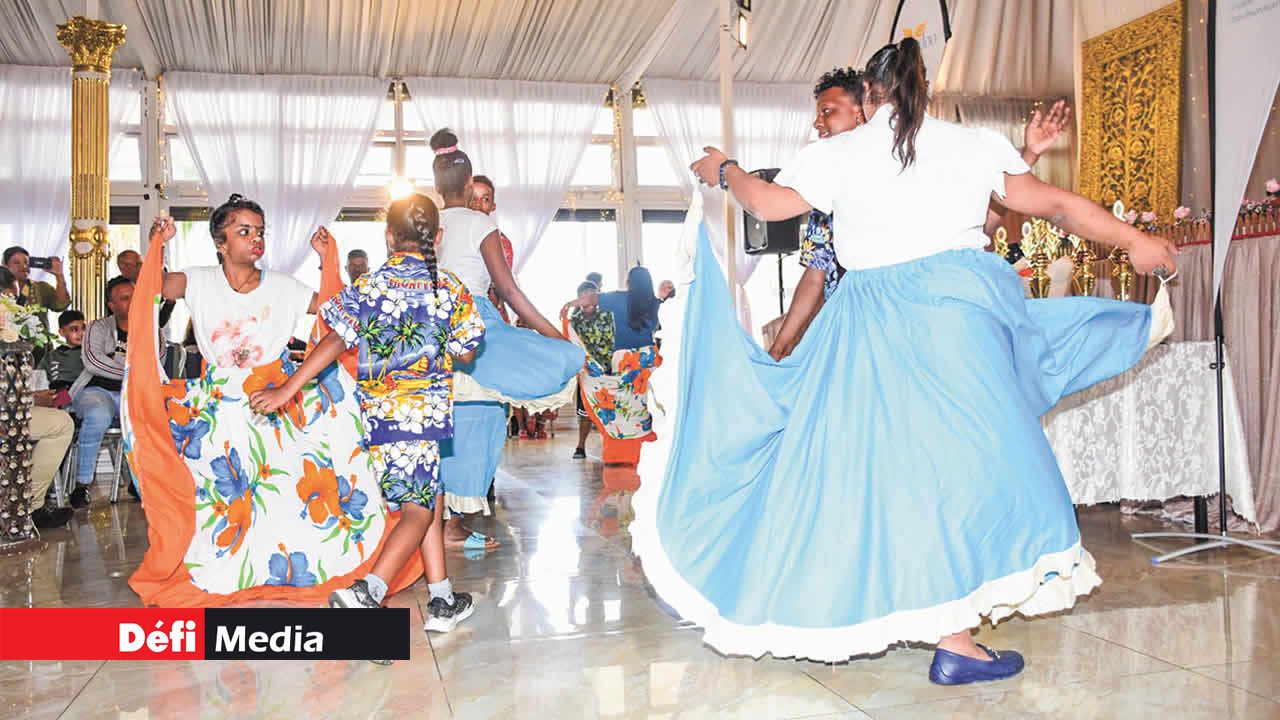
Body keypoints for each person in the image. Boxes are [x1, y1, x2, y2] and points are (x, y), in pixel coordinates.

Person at [642, 37, 1177, 683]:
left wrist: (724, 170)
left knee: (885, 475)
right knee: (969, 468)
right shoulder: (971, 143)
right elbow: (1058, 205)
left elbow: (769, 204)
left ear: (870, 94)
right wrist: (1136, 240)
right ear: (925, 89)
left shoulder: (838, 154)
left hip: (870, 330)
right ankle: (955, 639)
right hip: (958, 320)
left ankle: (930, 624)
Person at [123, 196, 421, 607]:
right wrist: (158, 245)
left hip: (279, 401)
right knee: (230, 497)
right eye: (243, 232)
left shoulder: (285, 286)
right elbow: (150, 291)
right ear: (220, 242)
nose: (255, 239)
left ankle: (298, 566)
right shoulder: (197, 280)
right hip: (222, 407)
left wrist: (326, 263)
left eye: (260, 231)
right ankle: (236, 567)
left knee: (285, 491)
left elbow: (337, 314)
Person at [250, 193, 485, 639]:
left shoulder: (370, 286)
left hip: (381, 417)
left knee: (427, 494)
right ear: (437, 237)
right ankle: (368, 592)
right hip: (426, 414)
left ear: (388, 237)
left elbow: (333, 341)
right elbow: (468, 349)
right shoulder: (450, 287)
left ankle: (441, 598)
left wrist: (287, 389)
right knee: (418, 510)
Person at [768, 68, 1071, 361]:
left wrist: (1028, 155)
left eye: (827, 111)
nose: (818, 123)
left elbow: (986, 223)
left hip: (922, 330)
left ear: (861, 110)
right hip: (858, 335)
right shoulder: (827, 178)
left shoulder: (912, 165)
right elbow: (815, 273)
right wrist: (781, 347)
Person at [430, 128, 585, 552]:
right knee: (480, 417)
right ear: (467, 185)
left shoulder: (428, 223)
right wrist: (557, 338)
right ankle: (455, 524)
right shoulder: (482, 224)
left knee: (438, 421)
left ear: (437, 187)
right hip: (475, 328)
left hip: (430, 330)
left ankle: (438, 521)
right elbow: (510, 292)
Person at [65, 277, 144, 508]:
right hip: (95, 390)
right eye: (125, 298)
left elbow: (154, 363)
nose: (132, 301)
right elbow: (92, 363)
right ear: (112, 305)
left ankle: (139, 482)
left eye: (134, 295)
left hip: (133, 393)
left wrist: (115, 363)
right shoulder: (98, 328)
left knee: (146, 415)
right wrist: (130, 370)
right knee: (98, 413)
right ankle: (82, 484)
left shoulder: (151, 328)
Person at [560, 281, 615, 459]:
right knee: (585, 412)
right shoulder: (574, 321)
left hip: (609, 370)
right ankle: (581, 446)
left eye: (593, 294)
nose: (589, 298)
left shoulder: (608, 315)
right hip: (587, 373)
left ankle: (611, 444)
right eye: (585, 295)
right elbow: (569, 342)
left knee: (609, 410)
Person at [468, 175, 516, 322]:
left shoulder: (501, 243)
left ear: (493, 206)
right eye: (472, 198)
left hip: (487, 318)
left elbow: (498, 295)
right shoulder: (448, 232)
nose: (477, 205)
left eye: (485, 199)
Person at [599, 266, 660, 351]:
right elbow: (655, 328)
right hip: (647, 355)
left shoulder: (616, 297)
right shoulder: (655, 302)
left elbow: (590, 299)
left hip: (624, 356)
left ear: (629, 281)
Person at [37, 310, 86, 409]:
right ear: (62, 332)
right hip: (56, 392)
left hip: (81, 392)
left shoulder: (90, 353)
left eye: (83, 328)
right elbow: (39, 379)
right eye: (74, 330)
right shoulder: (51, 356)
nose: (81, 333)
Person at [118, 249, 175, 328]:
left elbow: (159, 321)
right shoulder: (117, 289)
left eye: (142, 263)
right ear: (124, 269)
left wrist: (170, 300)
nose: (142, 267)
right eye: (138, 264)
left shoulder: (150, 285)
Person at [3, 246, 70, 313]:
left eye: (26, 262)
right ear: (5, 266)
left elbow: (61, 305)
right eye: (17, 263)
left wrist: (59, 276)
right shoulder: (1, 288)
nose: (24, 266)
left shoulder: (41, 287)